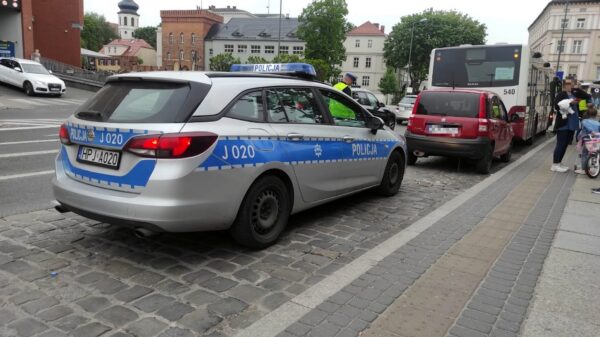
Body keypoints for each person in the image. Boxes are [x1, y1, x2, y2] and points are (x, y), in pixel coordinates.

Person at [552, 79, 580, 172]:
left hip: (571, 124)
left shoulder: (573, 94)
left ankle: (559, 162)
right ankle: (555, 164)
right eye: (568, 84)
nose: (570, 86)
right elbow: (556, 106)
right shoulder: (561, 94)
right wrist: (570, 103)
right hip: (563, 123)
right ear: (564, 85)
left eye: (571, 84)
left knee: (565, 145)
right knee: (560, 144)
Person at [575, 107, 600, 174]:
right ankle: (592, 166)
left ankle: (583, 169)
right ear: (596, 115)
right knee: (595, 153)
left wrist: (579, 137)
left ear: (587, 114)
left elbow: (583, 131)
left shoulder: (584, 121)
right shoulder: (598, 123)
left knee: (584, 154)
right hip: (596, 141)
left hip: (588, 141)